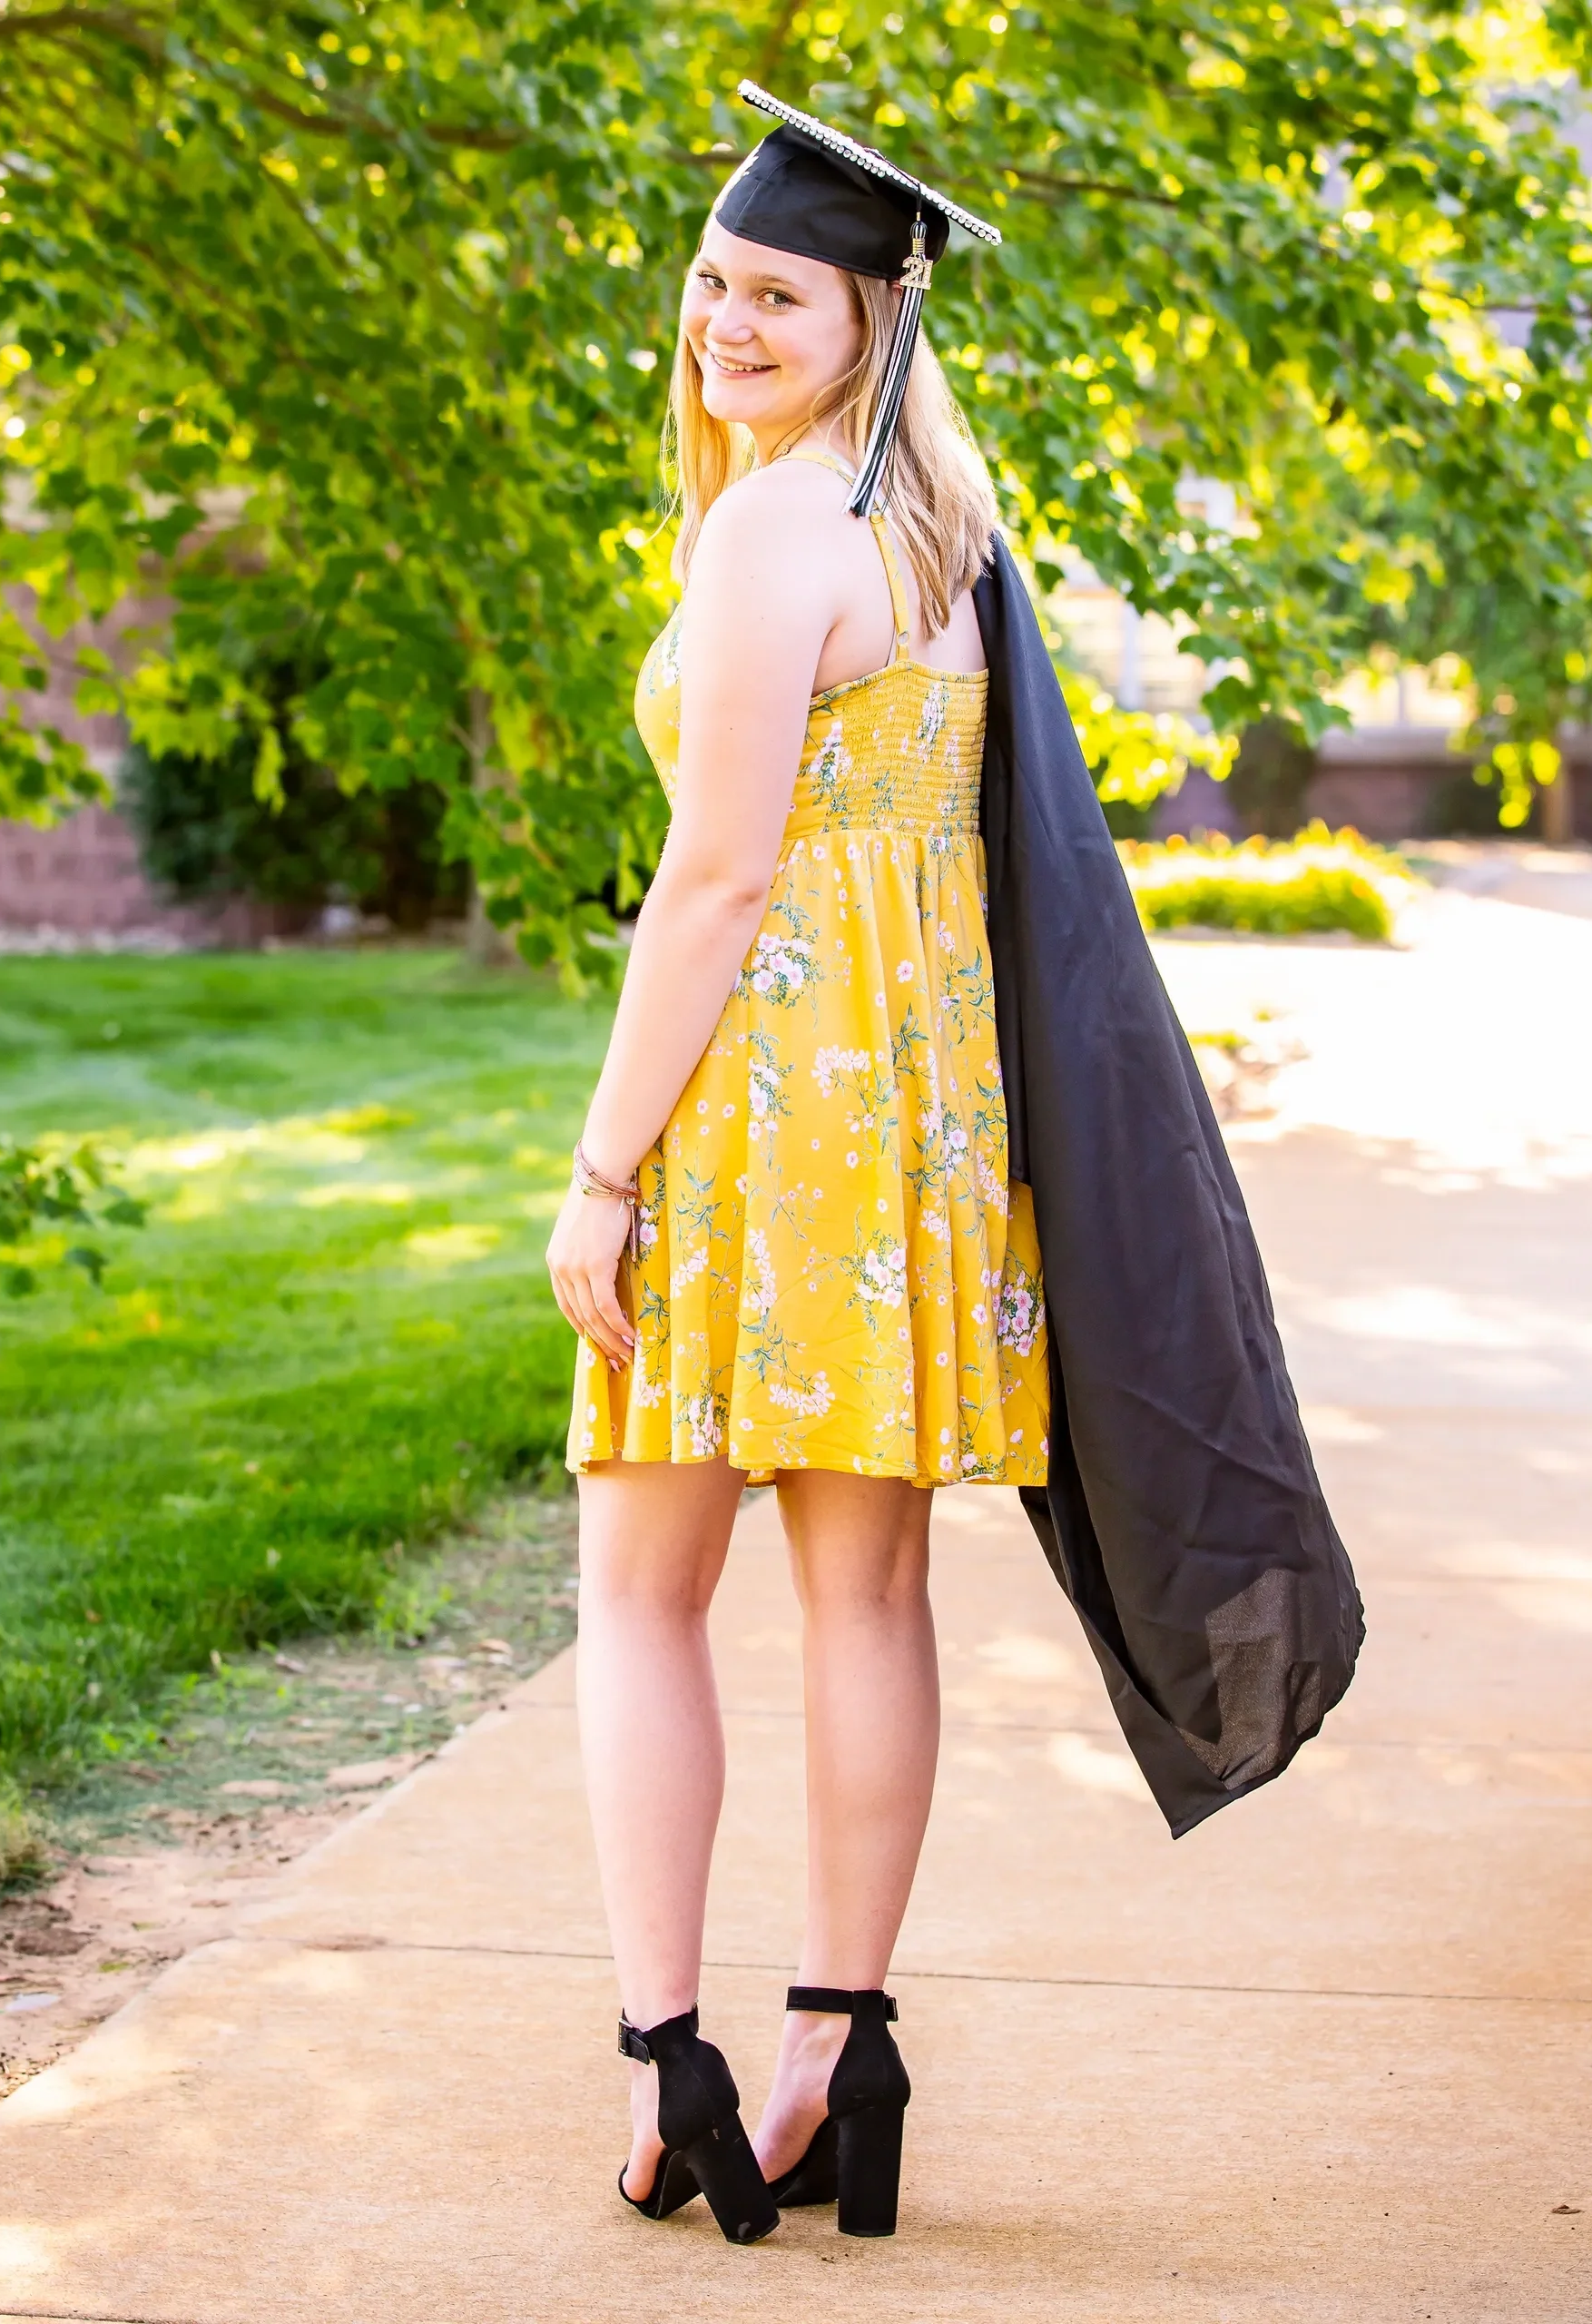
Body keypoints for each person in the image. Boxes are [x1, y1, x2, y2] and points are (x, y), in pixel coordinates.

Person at [544, 94, 1034, 2245]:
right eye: (716, 280)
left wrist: (598, 1165)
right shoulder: (947, 533)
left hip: (761, 1120)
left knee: (640, 1590)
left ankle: (677, 2059)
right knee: (871, 1589)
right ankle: (849, 2040)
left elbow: (718, 874)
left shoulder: (761, 535)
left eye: (778, 294)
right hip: (918, 1132)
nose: (727, 319)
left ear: (870, 320)